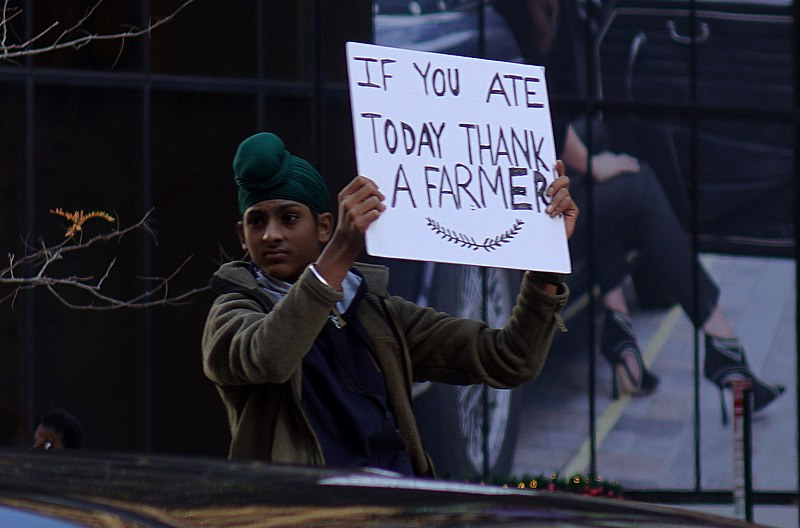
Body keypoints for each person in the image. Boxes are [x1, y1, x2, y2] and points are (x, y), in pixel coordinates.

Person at [201, 132, 577, 476]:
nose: (271, 234)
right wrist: (341, 252)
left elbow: (510, 358)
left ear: (324, 227)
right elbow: (270, 355)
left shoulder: (375, 312)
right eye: (257, 222)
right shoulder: (233, 314)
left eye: (289, 218)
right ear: (242, 236)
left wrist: (545, 269)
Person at [495, 0, 784, 423]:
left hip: (535, 201)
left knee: (612, 183)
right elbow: (541, 115)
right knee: (637, 186)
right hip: (516, 221)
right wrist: (594, 163)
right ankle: (723, 347)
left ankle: (622, 336)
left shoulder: (515, 22)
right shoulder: (507, 24)